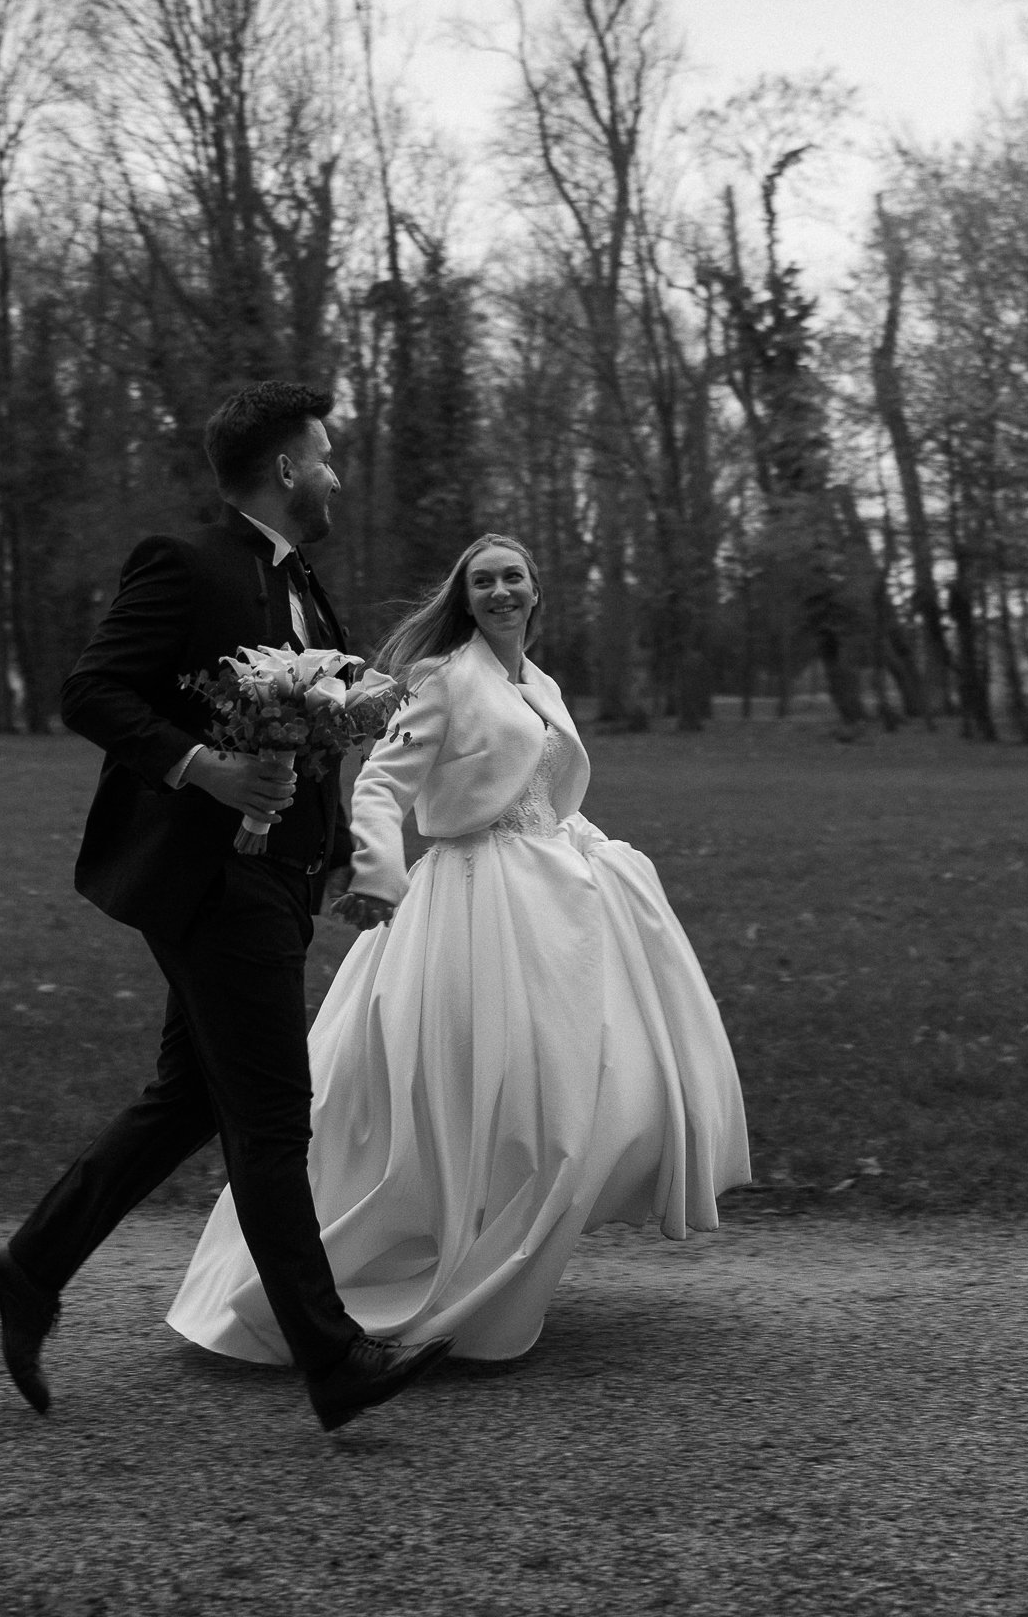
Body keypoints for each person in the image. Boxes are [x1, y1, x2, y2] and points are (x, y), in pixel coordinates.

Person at [0, 382, 450, 1432]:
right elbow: (92, 690)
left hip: (277, 881)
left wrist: (325, 853)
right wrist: (204, 766)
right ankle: (336, 1360)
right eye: (323, 456)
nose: (333, 473)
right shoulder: (183, 563)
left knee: (192, 1096)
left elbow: (319, 730)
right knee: (274, 1115)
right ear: (285, 468)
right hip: (204, 877)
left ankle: (29, 1263)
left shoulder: (308, 590)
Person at [167, 534, 750, 1365]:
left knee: (588, 1086)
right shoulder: (443, 680)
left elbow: (543, 787)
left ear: (535, 591)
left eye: (514, 577)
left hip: (559, 903)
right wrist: (379, 873)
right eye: (485, 581)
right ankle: (429, 1268)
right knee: (482, 1093)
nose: (501, 590)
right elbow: (381, 785)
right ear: (465, 598)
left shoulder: (539, 684)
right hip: (475, 901)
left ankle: (502, 1254)